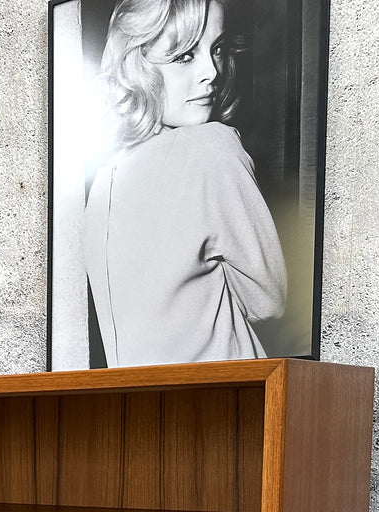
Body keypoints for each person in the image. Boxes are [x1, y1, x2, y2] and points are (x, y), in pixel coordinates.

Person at [82, 0, 285, 367]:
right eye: (184, 56)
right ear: (137, 65)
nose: (212, 72)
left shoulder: (105, 181)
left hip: (150, 411)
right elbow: (271, 302)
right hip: (233, 405)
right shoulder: (212, 148)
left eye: (218, 49)